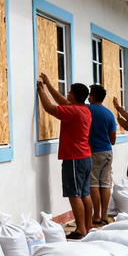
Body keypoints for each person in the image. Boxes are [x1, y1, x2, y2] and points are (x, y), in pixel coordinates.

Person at [36, 76, 93, 239]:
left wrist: (41, 91)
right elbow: (61, 101)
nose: (67, 93)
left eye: (69, 91)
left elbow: (49, 108)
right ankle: (88, 226)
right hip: (85, 157)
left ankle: (80, 230)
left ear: (74, 95)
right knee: (84, 193)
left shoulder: (72, 111)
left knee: (74, 194)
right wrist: (48, 85)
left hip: (74, 158)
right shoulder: (83, 109)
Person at [86, 84, 117, 225]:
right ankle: (105, 215)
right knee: (105, 184)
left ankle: (96, 216)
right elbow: (113, 139)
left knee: (93, 184)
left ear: (92, 96)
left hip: (92, 151)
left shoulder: (86, 110)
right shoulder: (109, 113)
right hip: (107, 151)